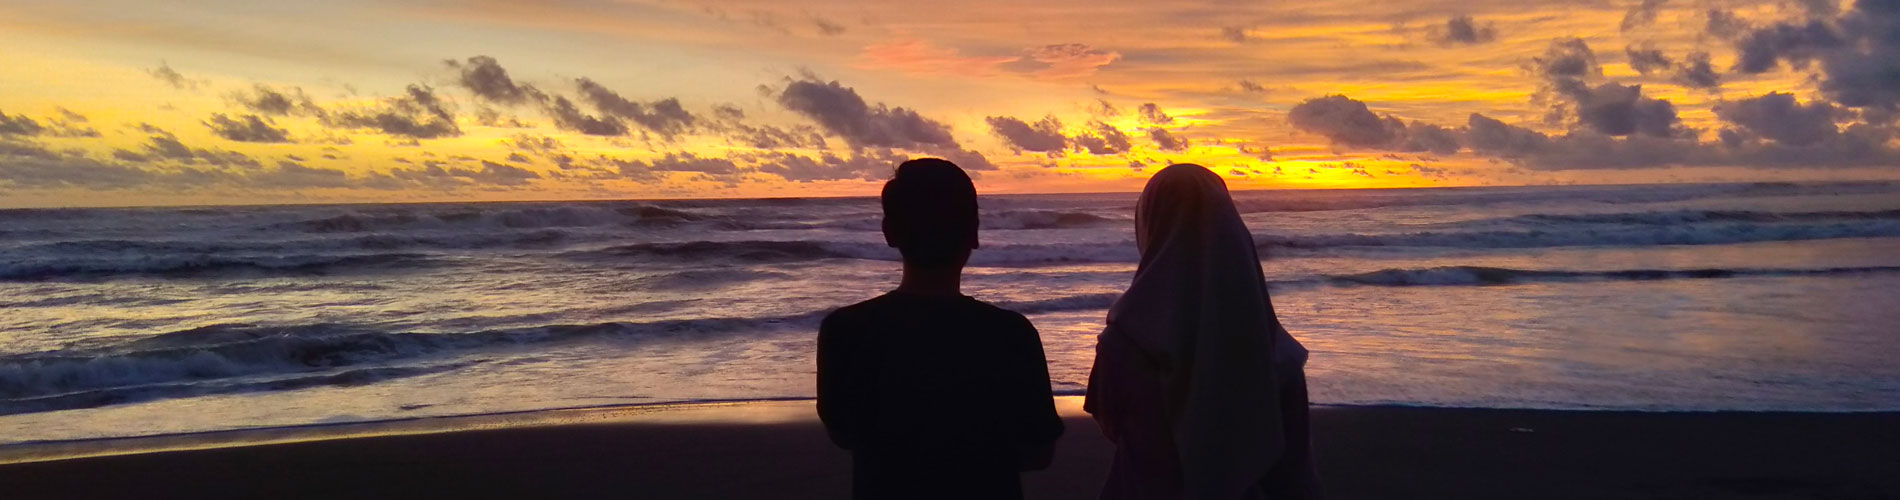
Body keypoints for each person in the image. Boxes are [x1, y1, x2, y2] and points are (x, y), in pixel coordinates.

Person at [817, 158, 1065, 500]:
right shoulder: (1011, 335)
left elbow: (844, 434)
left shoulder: (845, 330)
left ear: (889, 232)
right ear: (974, 233)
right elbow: (1038, 453)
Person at [1084, 164, 1320, 500]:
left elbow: (1109, 423)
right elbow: (1295, 471)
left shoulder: (1123, 343)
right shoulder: (1277, 353)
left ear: (1149, 223)